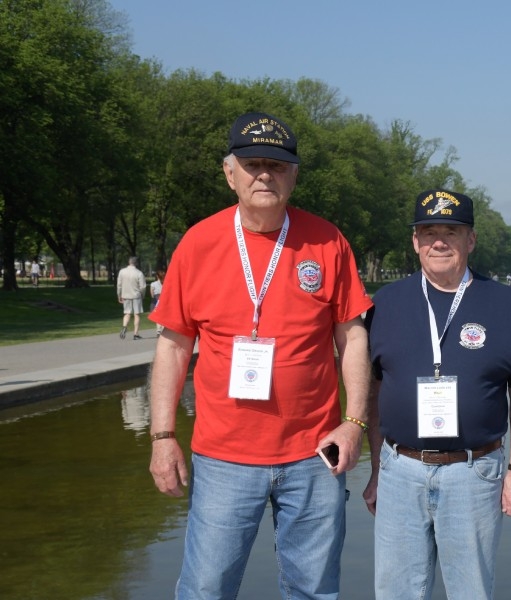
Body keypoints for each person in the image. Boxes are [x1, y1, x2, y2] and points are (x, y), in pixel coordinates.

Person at [147, 112, 374, 600]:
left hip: (315, 455)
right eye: (253, 164)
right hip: (224, 455)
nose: (265, 174)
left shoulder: (327, 241)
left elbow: (352, 337)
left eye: (278, 164)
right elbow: (173, 347)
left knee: (314, 590)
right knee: (206, 589)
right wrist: (163, 435)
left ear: (294, 175)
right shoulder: (198, 243)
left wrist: (354, 424)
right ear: (230, 173)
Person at [363, 189, 511, 599]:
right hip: (400, 470)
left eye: (451, 231)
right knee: (395, 592)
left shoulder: (505, 302)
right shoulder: (387, 302)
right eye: (428, 231)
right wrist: (377, 470)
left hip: (474, 472)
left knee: (471, 591)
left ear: (471, 240)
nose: (438, 241)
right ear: (415, 242)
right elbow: (374, 391)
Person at [117, 256, 146, 340]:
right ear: (136, 263)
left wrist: (119, 295)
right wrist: (142, 295)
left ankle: (124, 326)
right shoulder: (139, 273)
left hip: (125, 294)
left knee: (127, 313)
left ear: (129, 262)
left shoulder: (122, 272)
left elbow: (119, 285)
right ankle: (136, 334)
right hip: (136, 295)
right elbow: (143, 287)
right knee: (137, 314)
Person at [150, 266, 165, 334]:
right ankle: (162, 327)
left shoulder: (153, 284)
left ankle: (158, 329)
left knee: (157, 314)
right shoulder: (165, 283)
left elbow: (152, 294)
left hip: (156, 299)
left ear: (157, 276)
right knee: (163, 314)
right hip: (164, 298)